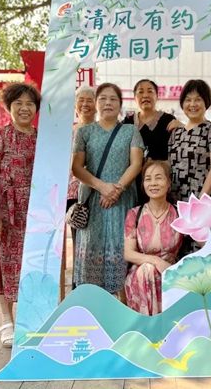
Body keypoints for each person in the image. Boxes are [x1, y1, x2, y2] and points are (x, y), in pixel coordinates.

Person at [72, 83, 144, 298]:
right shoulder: (84, 132)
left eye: (113, 99)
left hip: (123, 199)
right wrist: (102, 187)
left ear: (120, 104)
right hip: (93, 198)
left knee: (121, 246)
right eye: (102, 98)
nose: (107, 103)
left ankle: (123, 304)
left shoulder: (130, 131)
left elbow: (136, 164)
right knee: (92, 247)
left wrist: (117, 189)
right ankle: (94, 304)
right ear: (96, 103)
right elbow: (77, 168)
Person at [0, 83, 41, 348]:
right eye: (18, 103)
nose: (24, 108)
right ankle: (7, 320)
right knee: (5, 264)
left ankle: (33, 318)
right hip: (8, 212)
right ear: (9, 107)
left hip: (38, 213)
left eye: (30, 103)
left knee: (36, 264)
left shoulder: (43, 138)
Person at [124, 160, 182, 315]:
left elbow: (202, 241)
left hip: (170, 273)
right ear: (143, 184)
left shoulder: (179, 213)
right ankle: (151, 324)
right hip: (140, 277)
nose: (153, 183)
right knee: (147, 270)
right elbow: (128, 253)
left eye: (158, 178)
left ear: (168, 183)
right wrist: (156, 261)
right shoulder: (134, 214)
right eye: (148, 179)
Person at [168, 79, 211, 204]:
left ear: (206, 102)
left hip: (204, 202)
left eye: (198, 99)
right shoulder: (176, 133)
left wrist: (199, 202)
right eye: (188, 100)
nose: (192, 104)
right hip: (177, 202)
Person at [123, 79, 182, 204]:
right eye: (140, 92)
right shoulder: (127, 122)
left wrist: (182, 126)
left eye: (150, 91)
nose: (145, 95)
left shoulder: (168, 120)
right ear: (135, 98)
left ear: (157, 96)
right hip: (134, 183)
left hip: (160, 183)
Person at [66, 86, 97, 289]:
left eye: (89, 100)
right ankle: (79, 288)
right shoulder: (68, 132)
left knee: (96, 243)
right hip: (73, 196)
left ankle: (96, 288)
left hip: (97, 193)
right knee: (79, 243)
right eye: (81, 100)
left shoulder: (102, 130)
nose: (85, 104)